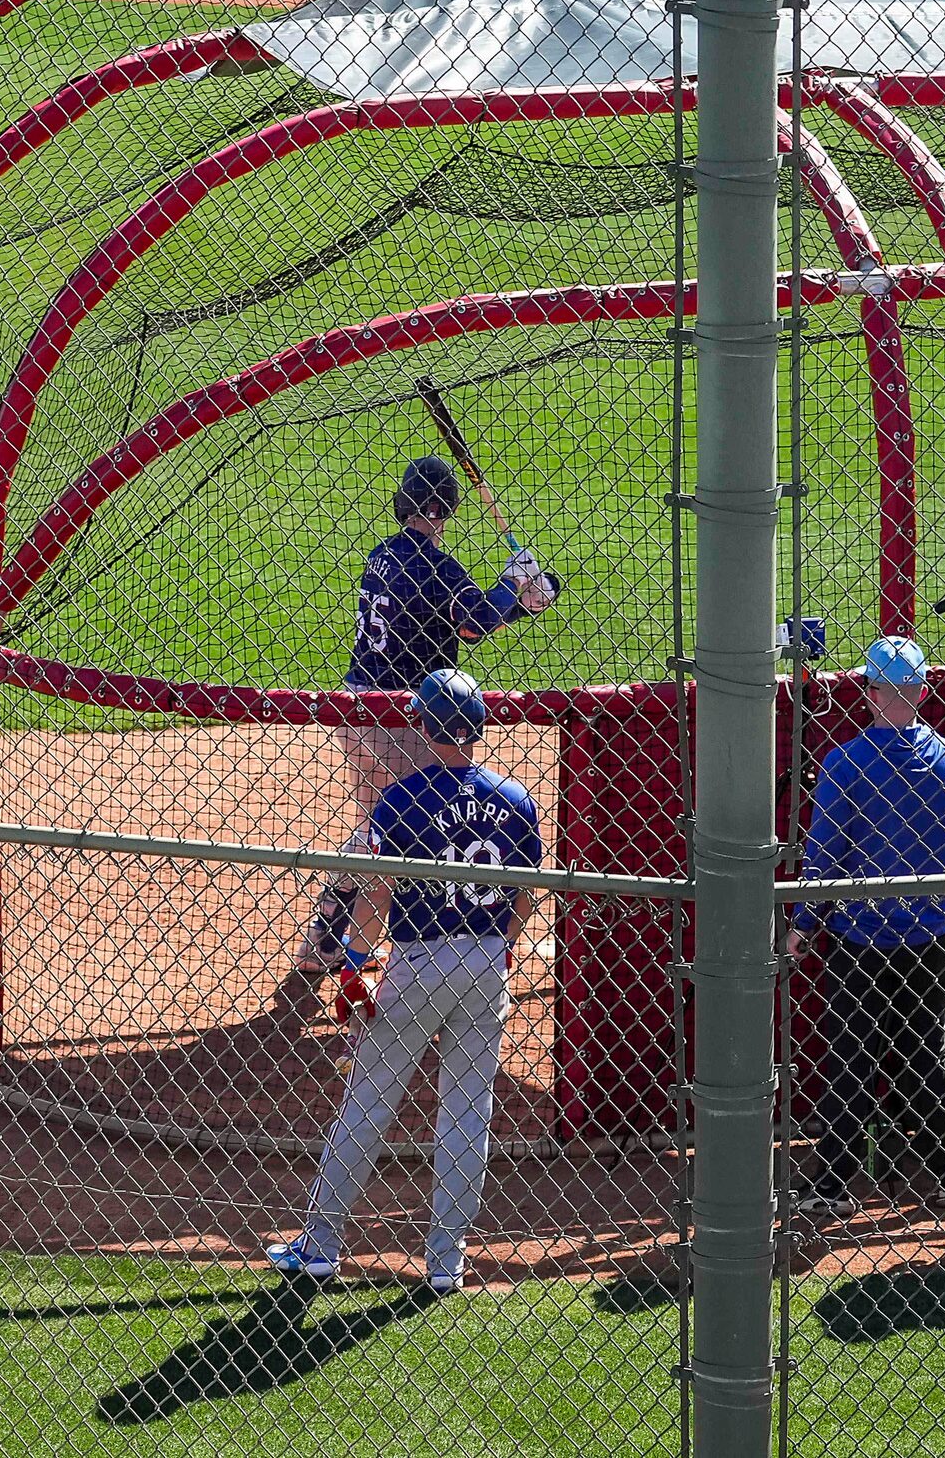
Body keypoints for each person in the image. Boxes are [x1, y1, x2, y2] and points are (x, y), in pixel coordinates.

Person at [268, 668, 538, 1295]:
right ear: (476, 728)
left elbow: (376, 894)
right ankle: (447, 1263)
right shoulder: (515, 797)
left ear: (420, 723)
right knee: (469, 1113)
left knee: (368, 1104)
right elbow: (529, 890)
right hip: (487, 962)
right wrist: (501, 947)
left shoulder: (400, 800)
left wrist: (354, 963)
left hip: (418, 963)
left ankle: (320, 1245)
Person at [301, 457, 551, 970]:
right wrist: (517, 584)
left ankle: (326, 935)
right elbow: (475, 624)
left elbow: (454, 624)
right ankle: (401, 946)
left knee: (377, 822)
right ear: (447, 509)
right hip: (407, 719)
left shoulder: (382, 556)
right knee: (408, 827)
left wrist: (522, 601)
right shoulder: (440, 567)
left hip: (359, 708)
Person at [792, 637, 945, 1223]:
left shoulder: (846, 763)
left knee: (851, 1059)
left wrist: (803, 926)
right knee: (928, 1057)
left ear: (871, 693)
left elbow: (823, 855)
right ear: (923, 691)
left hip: (857, 939)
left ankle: (832, 1181)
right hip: (926, 938)